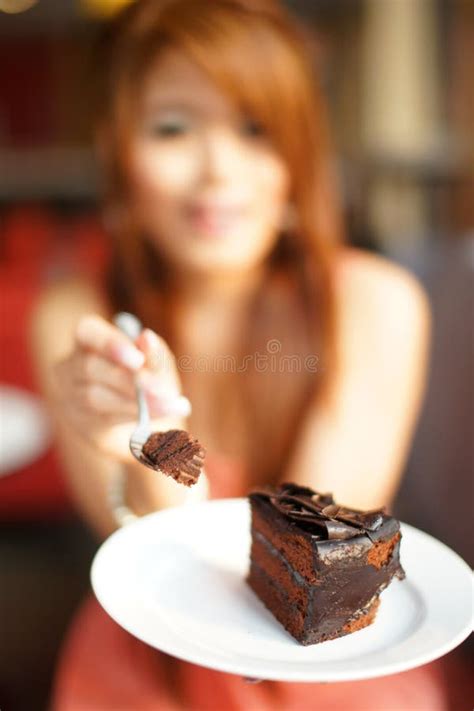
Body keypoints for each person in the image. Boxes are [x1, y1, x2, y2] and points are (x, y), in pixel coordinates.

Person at [30, 1, 454, 709]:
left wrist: (158, 444)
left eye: (256, 128)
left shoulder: (373, 303)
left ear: (299, 152)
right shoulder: (78, 320)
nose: (218, 170)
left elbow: (310, 565)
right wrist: (151, 432)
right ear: (119, 148)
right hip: (147, 660)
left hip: (329, 659)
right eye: (173, 128)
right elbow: (165, 564)